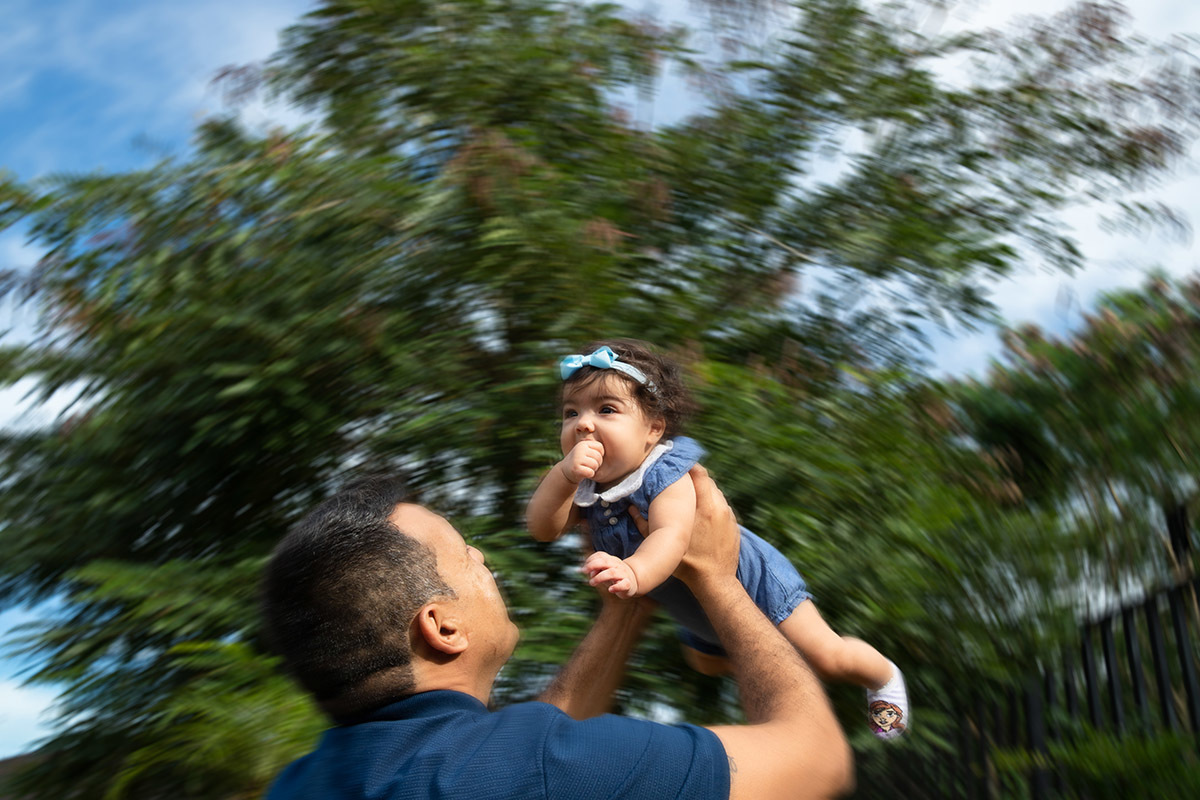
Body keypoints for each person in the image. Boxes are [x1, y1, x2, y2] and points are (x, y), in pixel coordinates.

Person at [262, 469, 853, 800]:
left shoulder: (296, 785)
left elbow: (516, 756)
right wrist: (717, 578)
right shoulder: (549, 766)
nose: (483, 558)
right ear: (442, 627)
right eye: (465, 556)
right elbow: (817, 760)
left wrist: (625, 609)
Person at [526, 339, 910, 738]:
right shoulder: (582, 485)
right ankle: (767, 658)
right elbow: (543, 528)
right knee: (705, 663)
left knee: (829, 657)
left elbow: (671, 535)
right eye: (571, 412)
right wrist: (563, 476)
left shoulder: (664, 473)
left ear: (653, 429)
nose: (583, 424)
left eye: (606, 409)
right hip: (694, 603)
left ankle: (882, 676)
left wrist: (634, 572)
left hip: (755, 587)